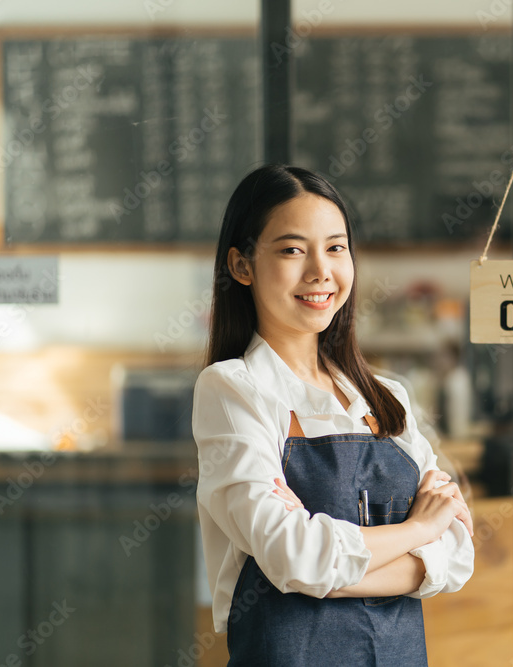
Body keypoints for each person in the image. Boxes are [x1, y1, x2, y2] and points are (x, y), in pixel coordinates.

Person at [192, 164, 475, 666]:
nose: (321, 271)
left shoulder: (387, 396)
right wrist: (415, 532)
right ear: (242, 265)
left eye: (336, 247)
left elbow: (457, 551)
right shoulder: (234, 389)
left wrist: (327, 575)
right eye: (292, 249)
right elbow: (290, 554)